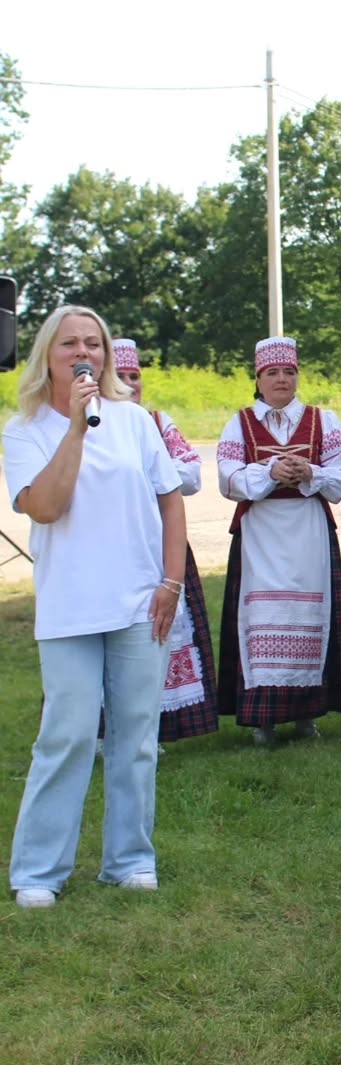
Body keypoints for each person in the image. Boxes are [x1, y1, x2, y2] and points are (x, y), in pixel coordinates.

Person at [3, 306, 185, 908]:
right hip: (70, 608)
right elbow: (45, 506)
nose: (84, 353)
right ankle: (38, 871)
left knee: (136, 738)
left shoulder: (133, 420)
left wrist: (171, 582)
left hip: (139, 602)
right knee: (68, 734)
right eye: (70, 344)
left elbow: (170, 499)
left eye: (94, 343)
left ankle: (130, 860)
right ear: (47, 355)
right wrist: (77, 430)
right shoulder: (23, 430)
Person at [217, 336, 341, 744]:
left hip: (307, 531)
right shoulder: (240, 422)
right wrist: (270, 472)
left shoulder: (323, 420)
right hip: (261, 533)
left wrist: (311, 472)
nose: (281, 379)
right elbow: (227, 479)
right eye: (272, 372)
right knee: (261, 616)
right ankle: (262, 716)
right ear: (258, 379)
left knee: (309, 614)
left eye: (289, 371)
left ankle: (306, 712)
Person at [101, 338, 218, 746]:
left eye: (135, 376)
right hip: (108, 544)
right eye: (121, 376)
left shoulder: (157, 421)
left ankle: (154, 728)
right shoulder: (90, 421)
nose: (130, 384)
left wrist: (147, 474)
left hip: (159, 539)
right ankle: (101, 730)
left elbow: (192, 474)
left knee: (157, 627)